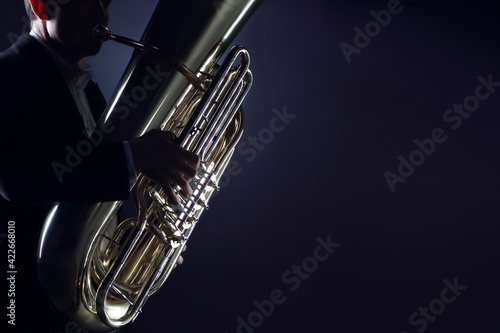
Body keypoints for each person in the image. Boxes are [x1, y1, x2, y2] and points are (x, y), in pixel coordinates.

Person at [0, 0, 199, 331]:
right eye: (89, 1)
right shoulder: (7, 73)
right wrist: (133, 157)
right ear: (42, 6)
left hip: (72, 307)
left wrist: (144, 250)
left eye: (106, 3)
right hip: (22, 307)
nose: (102, 15)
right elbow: (17, 178)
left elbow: (94, 198)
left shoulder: (88, 92)